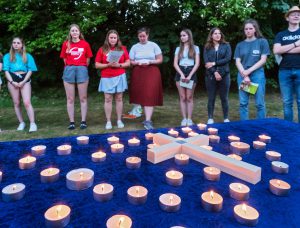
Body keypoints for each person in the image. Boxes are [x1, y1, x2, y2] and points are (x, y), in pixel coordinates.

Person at [234, 19, 270, 120]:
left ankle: (261, 127)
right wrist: (245, 75)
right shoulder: (240, 45)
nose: (248, 31)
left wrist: (248, 72)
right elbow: (237, 61)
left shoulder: (262, 42)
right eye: (246, 29)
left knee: (259, 103)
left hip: (257, 75)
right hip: (243, 75)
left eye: (250, 28)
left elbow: (263, 60)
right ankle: (245, 126)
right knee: (243, 103)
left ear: (255, 29)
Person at [129, 27, 163, 130]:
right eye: (140, 36)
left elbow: (160, 60)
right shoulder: (135, 47)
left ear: (147, 35)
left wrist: (150, 61)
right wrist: (137, 62)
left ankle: (148, 120)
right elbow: (131, 61)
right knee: (141, 94)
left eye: (144, 36)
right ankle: (140, 114)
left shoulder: (154, 45)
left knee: (149, 94)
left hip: (152, 71)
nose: (142, 38)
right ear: (138, 36)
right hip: (138, 72)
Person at [95, 30, 130, 129]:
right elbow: (97, 64)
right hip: (106, 77)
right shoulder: (102, 49)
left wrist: (119, 64)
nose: (113, 39)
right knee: (108, 99)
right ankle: (108, 121)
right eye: (111, 37)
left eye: (115, 37)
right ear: (107, 38)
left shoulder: (122, 49)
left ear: (117, 38)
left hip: (119, 75)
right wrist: (107, 65)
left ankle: (119, 120)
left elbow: (128, 63)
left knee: (119, 98)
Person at [60, 24, 93, 130]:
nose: (74, 32)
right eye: (72, 31)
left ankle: (83, 121)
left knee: (83, 97)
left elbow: (88, 59)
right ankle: (72, 122)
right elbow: (64, 59)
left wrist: (81, 66)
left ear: (79, 32)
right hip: (69, 69)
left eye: (76, 30)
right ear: (70, 32)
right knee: (70, 98)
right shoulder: (66, 44)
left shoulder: (85, 44)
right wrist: (71, 65)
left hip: (82, 69)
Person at [3, 37, 38, 132]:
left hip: (25, 78)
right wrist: (12, 82)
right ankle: (21, 122)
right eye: (14, 42)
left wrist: (23, 81)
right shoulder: (7, 56)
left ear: (22, 44)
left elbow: (31, 70)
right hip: (12, 78)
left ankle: (32, 123)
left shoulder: (27, 56)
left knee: (27, 102)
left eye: (18, 43)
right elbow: (6, 70)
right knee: (16, 102)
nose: (16, 44)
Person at [273, 6, 300, 123]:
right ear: (287, 18)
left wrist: (284, 49)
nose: (296, 16)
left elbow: (280, 50)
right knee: (287, 102)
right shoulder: (281, 34)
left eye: (298, 14)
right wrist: (296, 44)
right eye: (293, 14)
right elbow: (276, 50)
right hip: (284, 71)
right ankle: (288, 129)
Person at [204, 28, 232, 124]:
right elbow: (207, 63)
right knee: (211, 97)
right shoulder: (207, 47)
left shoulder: (226, 45)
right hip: (211, 76)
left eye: (219, 33)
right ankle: (210, 118)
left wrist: (214, 63)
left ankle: (226, 118)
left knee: (224, 97)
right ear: (211, 35)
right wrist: (214, 72)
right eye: (215, 33)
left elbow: (227, 59)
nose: (217, 35)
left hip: (225, 75)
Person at [173, 29, 200, 126]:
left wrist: (189, 75)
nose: (182, 37)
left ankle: (189, 119)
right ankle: (184, 118)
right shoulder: (178, 49)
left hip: (191, 71)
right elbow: (175, 63)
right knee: (182, 97)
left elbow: (197, 63)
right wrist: (181, 74)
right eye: (181, 35)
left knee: (189, 97)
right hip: (180, 71)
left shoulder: (195, 48)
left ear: (189, 36)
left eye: (184, 35)